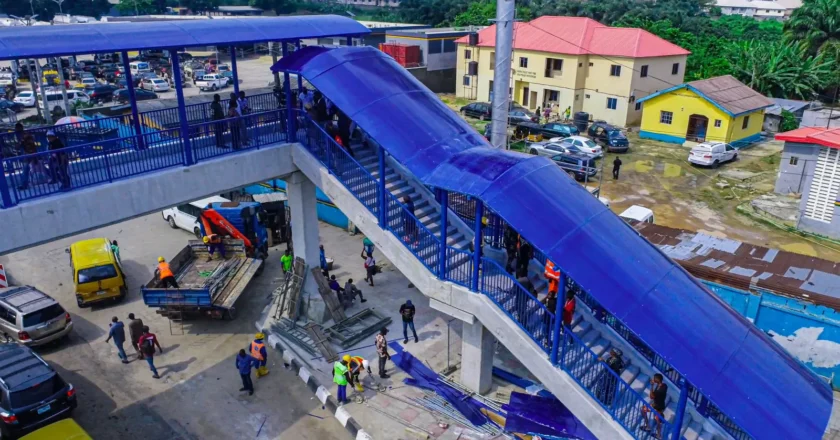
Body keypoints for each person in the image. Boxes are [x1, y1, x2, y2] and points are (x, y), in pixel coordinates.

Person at [642, 373, 668, 438]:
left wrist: (652, 386)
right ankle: (648, 426)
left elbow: (651, 396)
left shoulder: (659, 390)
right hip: (656, 405)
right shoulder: (664, 385)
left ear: (658, 379)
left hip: (658, 407)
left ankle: (659, 435)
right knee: (643, 409)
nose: (653, 379)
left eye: (655, 378)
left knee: (657, 420)